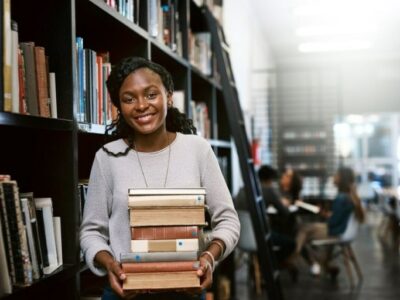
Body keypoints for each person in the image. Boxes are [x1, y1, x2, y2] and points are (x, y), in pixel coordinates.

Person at [80, 56, 240, 300]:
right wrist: (109, 263)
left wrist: (209, 257)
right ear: (119, 107)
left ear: (169, 96)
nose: (141, 105)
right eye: (129, 99)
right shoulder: (107, 157)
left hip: (186, 289)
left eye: (151, 94)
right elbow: (91, 232)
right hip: (126, 291)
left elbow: (228, 220)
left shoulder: (198, 149)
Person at [295, 167, 365, 276]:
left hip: (337, 232)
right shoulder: (350, 197)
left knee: (303, 231)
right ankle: (325, 264)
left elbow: (332, 223)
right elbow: (339, 217)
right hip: (344, 232)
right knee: (308, 230)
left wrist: (326, 216)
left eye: (336, 175)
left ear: (341, 179)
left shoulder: (341, 198)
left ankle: (296, 256)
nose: (333, 177)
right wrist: (329, 216)